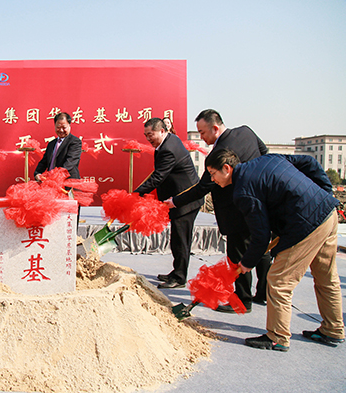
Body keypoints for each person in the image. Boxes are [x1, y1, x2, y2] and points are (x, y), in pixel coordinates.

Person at [205, 149, 344, 351]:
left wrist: (246, 263)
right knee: (326, 277)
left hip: (305, 225)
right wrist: (323, 192)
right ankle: (333, 329)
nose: (212, 179)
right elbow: (309, 161)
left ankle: (277, 336)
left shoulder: (243, 190)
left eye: (213, 173)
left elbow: (261, 235)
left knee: (279, 280)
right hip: (328, 213)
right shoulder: (269, 159)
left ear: (226, 168)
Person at [165, 109, 271, 312]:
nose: (202, 137)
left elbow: (202, 188)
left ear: (215, 128)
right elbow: (264, 152)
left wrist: (175, 201)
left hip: (235, 211)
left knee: (237, 254)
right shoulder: (246, 131)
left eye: (202, 132)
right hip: (259, 203)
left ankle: (243, 300)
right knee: (261, 248)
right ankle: (263, 293)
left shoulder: (218, 154)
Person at [135, 118, 203, 288]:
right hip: (178, 198)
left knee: (181, 240)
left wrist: (137, 193)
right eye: (146, 135)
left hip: (185, 200)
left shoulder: (168, 149)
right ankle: (176, 271)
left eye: (151, 134)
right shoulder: (168, 141)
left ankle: (179, 278)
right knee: (177, 239)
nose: (148, 139)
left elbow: (158, 177)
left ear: (162, 131)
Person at [34, 112, 82, 181]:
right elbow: (44, 161)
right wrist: (38, 173)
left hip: (68, 182)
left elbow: (70, 162)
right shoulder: (51, 144)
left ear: (69, 126)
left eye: (64, 127)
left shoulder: (75, 142)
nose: (61, 130)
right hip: (51, 182)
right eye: (58, 127)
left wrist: (57, 176)